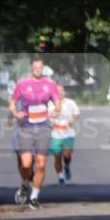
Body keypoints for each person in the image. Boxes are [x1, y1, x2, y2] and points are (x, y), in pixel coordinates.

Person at [8, 58, 61, 209]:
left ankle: (34, 198)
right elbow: (12, 103)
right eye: (35, 67)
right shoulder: (23, 84)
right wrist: (16, 113)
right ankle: (25, 184)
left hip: (44, 128)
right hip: (26, 128)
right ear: (32, 68)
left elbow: (57, 104)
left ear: (43, 68)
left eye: (40, 67)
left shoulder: (50, 84)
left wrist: (56, 112)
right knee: (26, 164)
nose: (38, 70)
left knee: (41, 164)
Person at [49, 85, 80, 187]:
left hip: (68, 133)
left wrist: (72, 120)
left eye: (60, 91)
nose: (58, 93)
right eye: (56, 92)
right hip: (55, 133)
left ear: (64, 93)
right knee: (57, 157)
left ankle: (66, 165)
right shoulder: (50, 104)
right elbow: (48, 115)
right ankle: (61, 177)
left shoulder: (70, 103)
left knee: (67, 154)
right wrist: (50, 119)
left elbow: (76, 114)